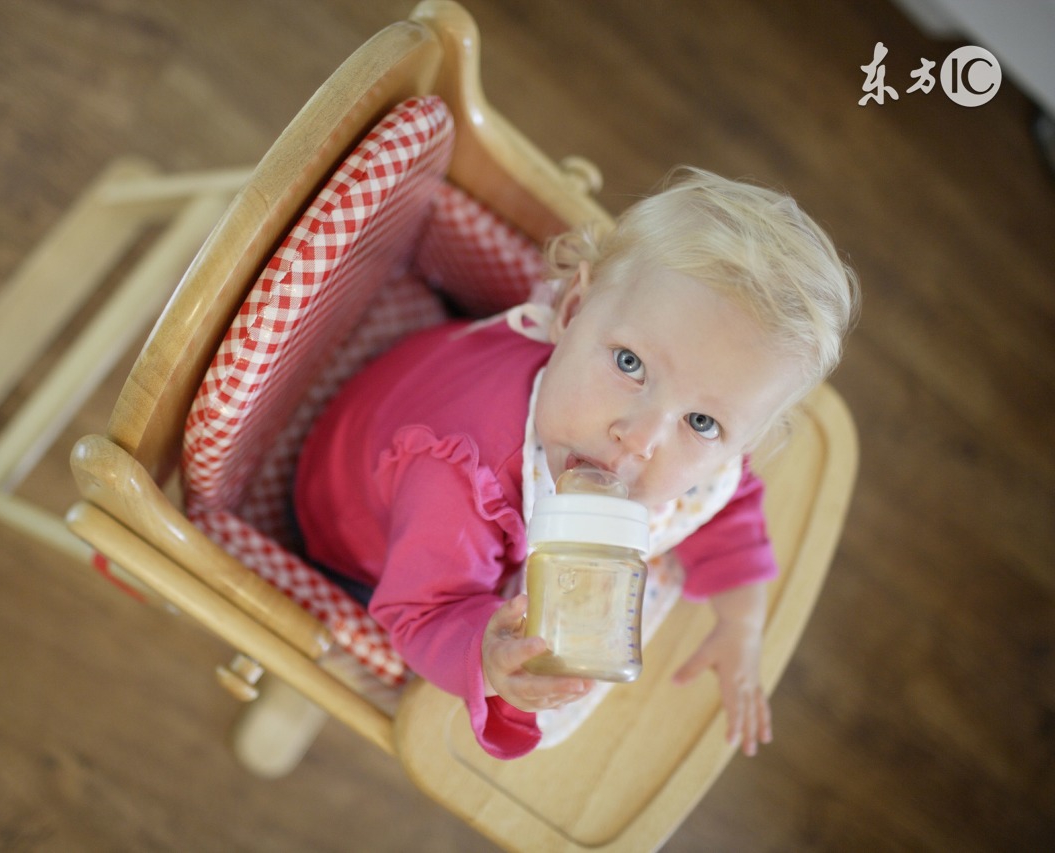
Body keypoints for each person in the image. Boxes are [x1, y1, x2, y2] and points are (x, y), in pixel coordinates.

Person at [294, 167, 859, 760]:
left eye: (701, 423)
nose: (639, 439)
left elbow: (727, 500)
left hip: (421, 403)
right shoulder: (464, 483)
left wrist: (741, 624)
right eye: (630, 364)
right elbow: (421, 611)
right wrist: (486, 656)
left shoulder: (672, 450)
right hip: (353, 529)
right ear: (573, 307)